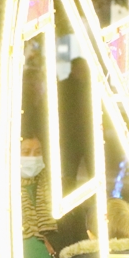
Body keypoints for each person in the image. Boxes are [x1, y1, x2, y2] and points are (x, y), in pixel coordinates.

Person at [58, 57, 93, 191]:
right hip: (73, 137)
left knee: (93, 170)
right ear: (73, 70)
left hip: (85, 136)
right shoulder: (66, 87)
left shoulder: (88, 86)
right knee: (70, 172)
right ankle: (68, 195)